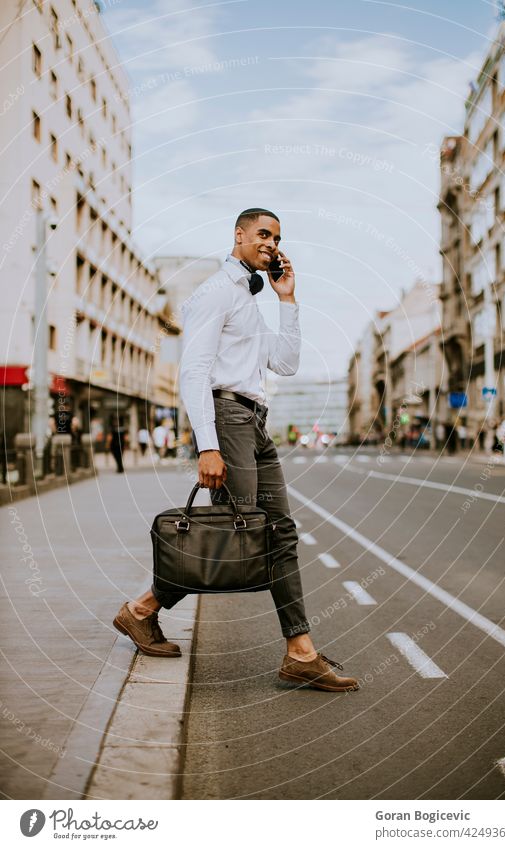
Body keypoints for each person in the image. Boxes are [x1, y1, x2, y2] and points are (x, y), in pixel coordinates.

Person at [113, 208, 358, 692]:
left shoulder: (252, 299)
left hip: (255, 422)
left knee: (275, 531)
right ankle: (298, 651)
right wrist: (208, 445)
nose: (271, 243)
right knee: (240, 535)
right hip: (227, 420)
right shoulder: (216, 291)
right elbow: (194, 371)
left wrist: (288, 300)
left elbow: (285, 364)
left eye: (278, 237)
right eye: (262, 234)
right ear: (239, 236)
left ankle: (295, 651)